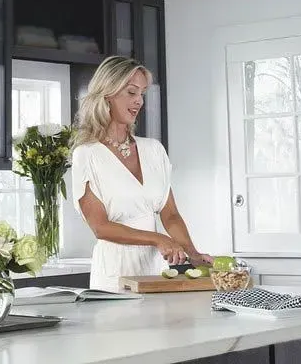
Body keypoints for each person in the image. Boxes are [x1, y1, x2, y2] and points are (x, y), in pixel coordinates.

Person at [71, 56, 211, 292]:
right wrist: (158, 239)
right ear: (107, 94)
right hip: (114, 274)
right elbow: (100, 227)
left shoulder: (153, 150)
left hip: (153, 271)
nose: (139, 102)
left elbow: (171, 215)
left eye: (142, 94)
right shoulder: (87, 155)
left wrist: (193, 253)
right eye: (131, 92)